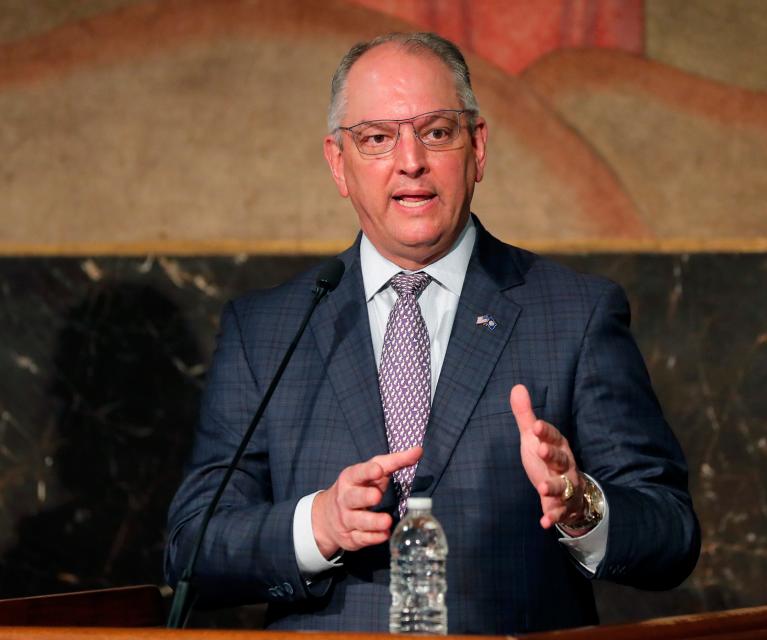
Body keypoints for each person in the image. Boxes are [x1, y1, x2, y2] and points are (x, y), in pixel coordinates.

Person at [165, 32, 699, 634]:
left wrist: (583, 507)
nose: (410, 160)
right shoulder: (266, 330)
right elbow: (192, 547)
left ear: (478, 147)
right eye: (376, 138)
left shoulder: (574, 314)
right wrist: (320, 524)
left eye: (437, 132)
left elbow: (671, 533)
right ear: (339, 164)